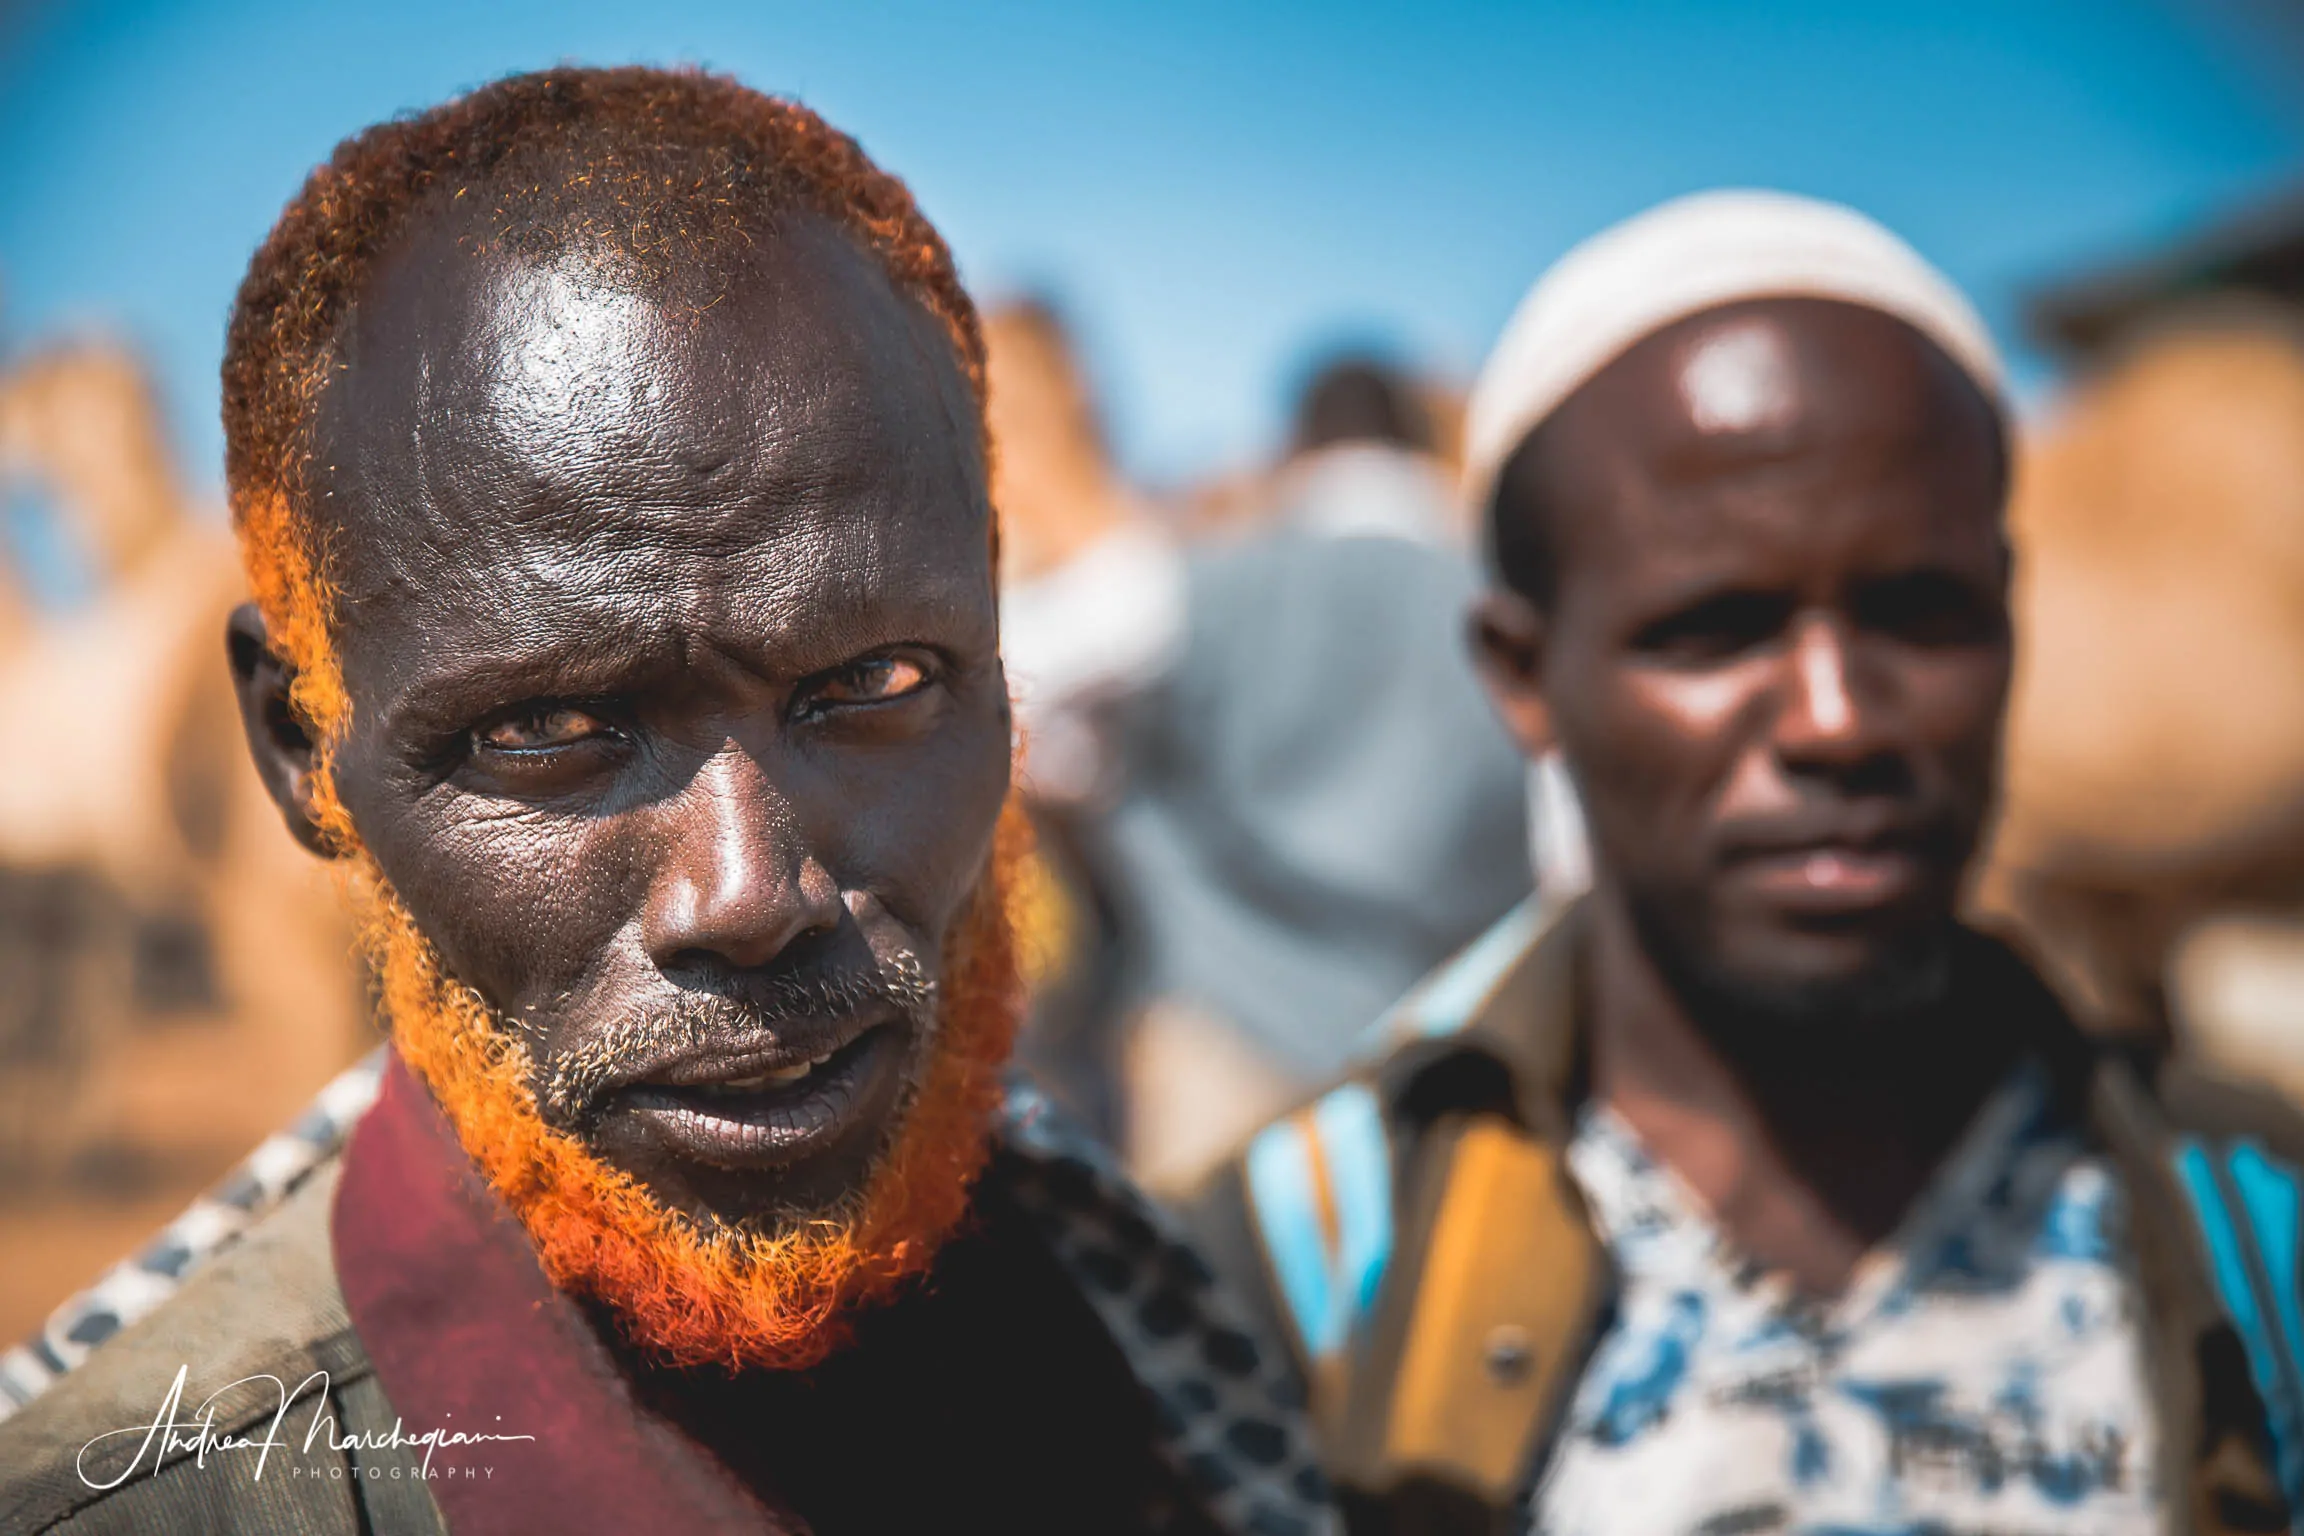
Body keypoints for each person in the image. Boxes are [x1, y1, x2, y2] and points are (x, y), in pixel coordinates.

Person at [0, 68, 1327, 1536]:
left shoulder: (1141, 1325)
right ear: (302, 745)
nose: (748, 893)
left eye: (874, 680)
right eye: (550, 729)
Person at [1195, 190, 2304, 1536]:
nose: (1837, 717)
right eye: (1716, 630)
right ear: (1525, 674)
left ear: (2008, 621)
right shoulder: (1302, 1265)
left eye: (1920, 611)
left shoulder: (2250, 1226)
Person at [1004, 353, 1531, 1193]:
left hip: (1229, 1060)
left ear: (1299, 445)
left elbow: (1017, 676)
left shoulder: (1224, 580)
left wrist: (1101, 785)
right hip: (1454, 1071)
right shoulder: (1511, 618)